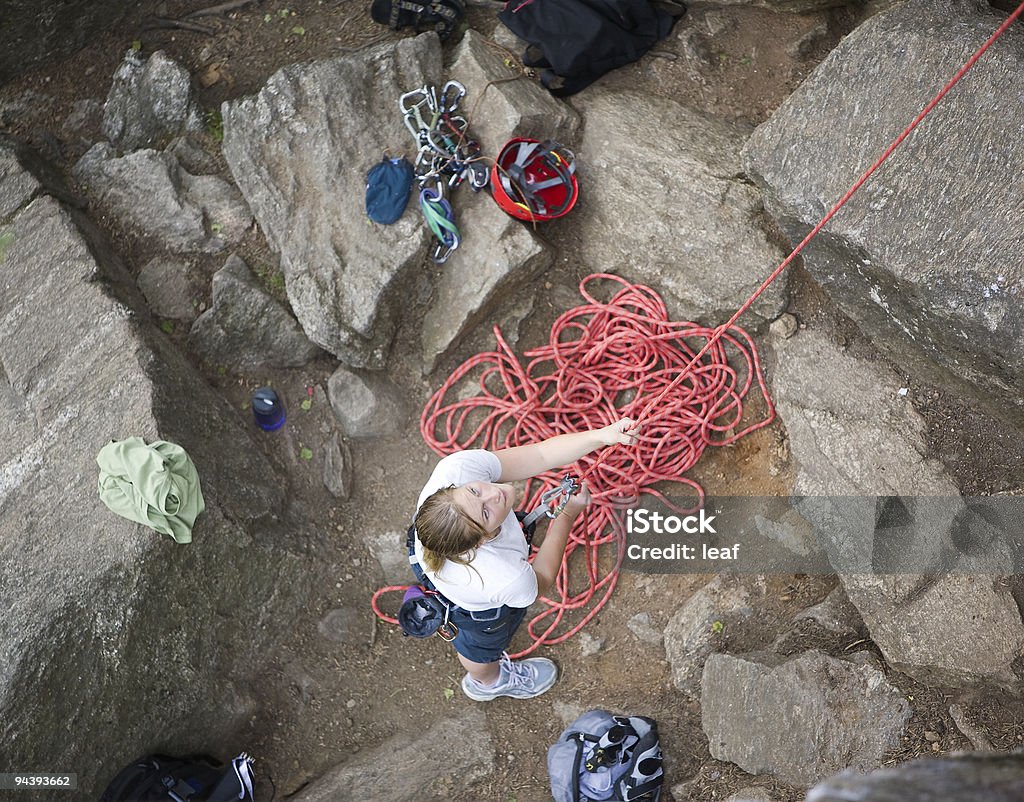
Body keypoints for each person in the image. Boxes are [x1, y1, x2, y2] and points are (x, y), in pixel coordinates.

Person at [410, 418, 639, 701]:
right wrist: (566, 515)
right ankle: (487, 681)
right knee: (478, 646)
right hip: (472, 609)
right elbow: (541, 580)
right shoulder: (506, 576)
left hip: (424, 557)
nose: (495, 492)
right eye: (485, 513)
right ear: (481, 542)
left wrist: (602, 436)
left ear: (450, 489)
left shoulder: (456, 470)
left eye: (475, 491)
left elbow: (539, 454)